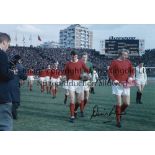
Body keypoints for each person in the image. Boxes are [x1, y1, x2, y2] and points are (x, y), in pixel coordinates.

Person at [108, 49, 134, 128]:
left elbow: (132, 71)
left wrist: (130, 77)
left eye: (126, 55)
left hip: (126, 84)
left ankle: (118, 113)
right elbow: (110, 72)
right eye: (124, 55)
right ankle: (118, 121)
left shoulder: (128, 62)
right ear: (120, 54)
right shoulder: (114, 62)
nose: (125, 56)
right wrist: (114, 80)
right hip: (117, 85)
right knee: (119, 103)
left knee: (127, 103)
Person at [64, 51, 89, 123]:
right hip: (71, 82)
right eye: (73, 55)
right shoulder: (68, 64)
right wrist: (65, 78)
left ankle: (75, 110)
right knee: (72, 99)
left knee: (79, 101)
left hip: (79, 82)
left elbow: (87, 70)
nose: (74, 57)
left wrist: (86, 76)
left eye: (75, 56)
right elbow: (65, 72)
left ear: (77, 56)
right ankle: (72, 116)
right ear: (71, 56)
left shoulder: (81, 62)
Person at [0, 32, 14, 131]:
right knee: (5, 126)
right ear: (4, 42)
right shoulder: (2, 55)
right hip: (2, 97)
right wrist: (12, 74)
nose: (8, 46)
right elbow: (3, 75)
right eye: (8, 43)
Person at [74, 52, 93, 117]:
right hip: (80, 81)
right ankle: (78, 110)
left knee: (86, 98)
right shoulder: (78, 63)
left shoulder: (90, 64)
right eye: (83, 57)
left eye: (85, 57)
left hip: (87, 82)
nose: (84, 58)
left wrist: (91, 81)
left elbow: (91, 73)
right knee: (80, 99)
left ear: (87, 57)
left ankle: (82, 109)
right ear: (81, 57)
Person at [9, 55, 27, 119]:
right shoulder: (20, 66)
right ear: (19, 60)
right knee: (16, 102)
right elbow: (24, 77)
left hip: (5, 85)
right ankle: (13, 114)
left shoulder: (7, 65)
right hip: (14, 86)